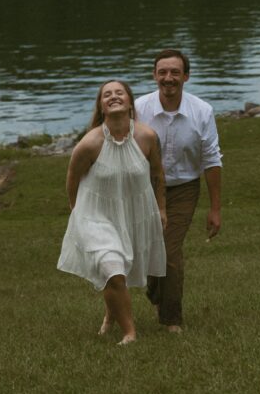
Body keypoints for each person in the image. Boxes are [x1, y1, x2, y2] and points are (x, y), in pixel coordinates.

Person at [57, 79, 167, 345]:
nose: (114, 96)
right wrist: (77, 215)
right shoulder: (90, 143)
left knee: (119, 273)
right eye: (108, 94)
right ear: (101, 105)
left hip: (132, 213)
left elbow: (158, 174)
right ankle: (130, 332)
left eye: (120, 93)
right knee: (111, 269)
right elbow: (72, 180)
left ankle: (111, 315)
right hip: (96, 216)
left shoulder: (147, 136)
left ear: (130, 102)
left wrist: (162, 207)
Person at [135, 49, 222, 333]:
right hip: (145, 188)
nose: (168, 78)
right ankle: (155, 292)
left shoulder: (202, 111)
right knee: (149, 250)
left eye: (175, 72)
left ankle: (172, 319)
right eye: (162, 72)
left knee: (169, 251)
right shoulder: (139, 109)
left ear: (186, 76)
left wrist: (215, 208)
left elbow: (211, 160)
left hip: (184, 188)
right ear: (154, 75)